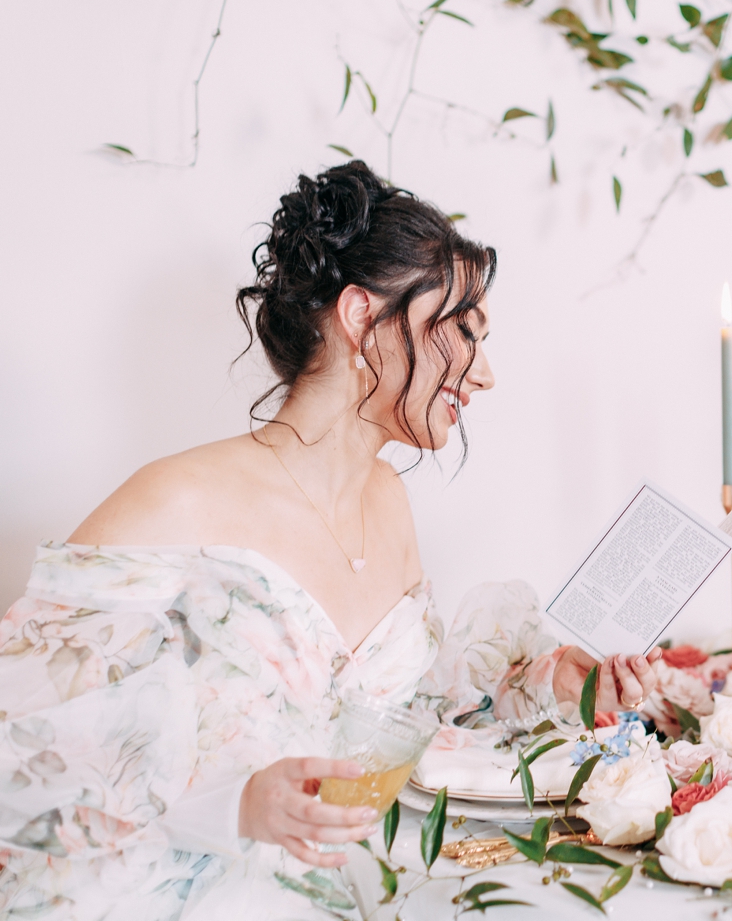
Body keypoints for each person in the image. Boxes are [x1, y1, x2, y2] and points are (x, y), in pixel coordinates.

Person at [0, 161, 662, 918]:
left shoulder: (388, 501)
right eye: (462, 333)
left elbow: (401, 718)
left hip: (355, 890)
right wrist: (237, 806)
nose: (484, 375)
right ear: (360, 317)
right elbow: (23, 752)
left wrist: (553, 687)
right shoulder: (175, 498)